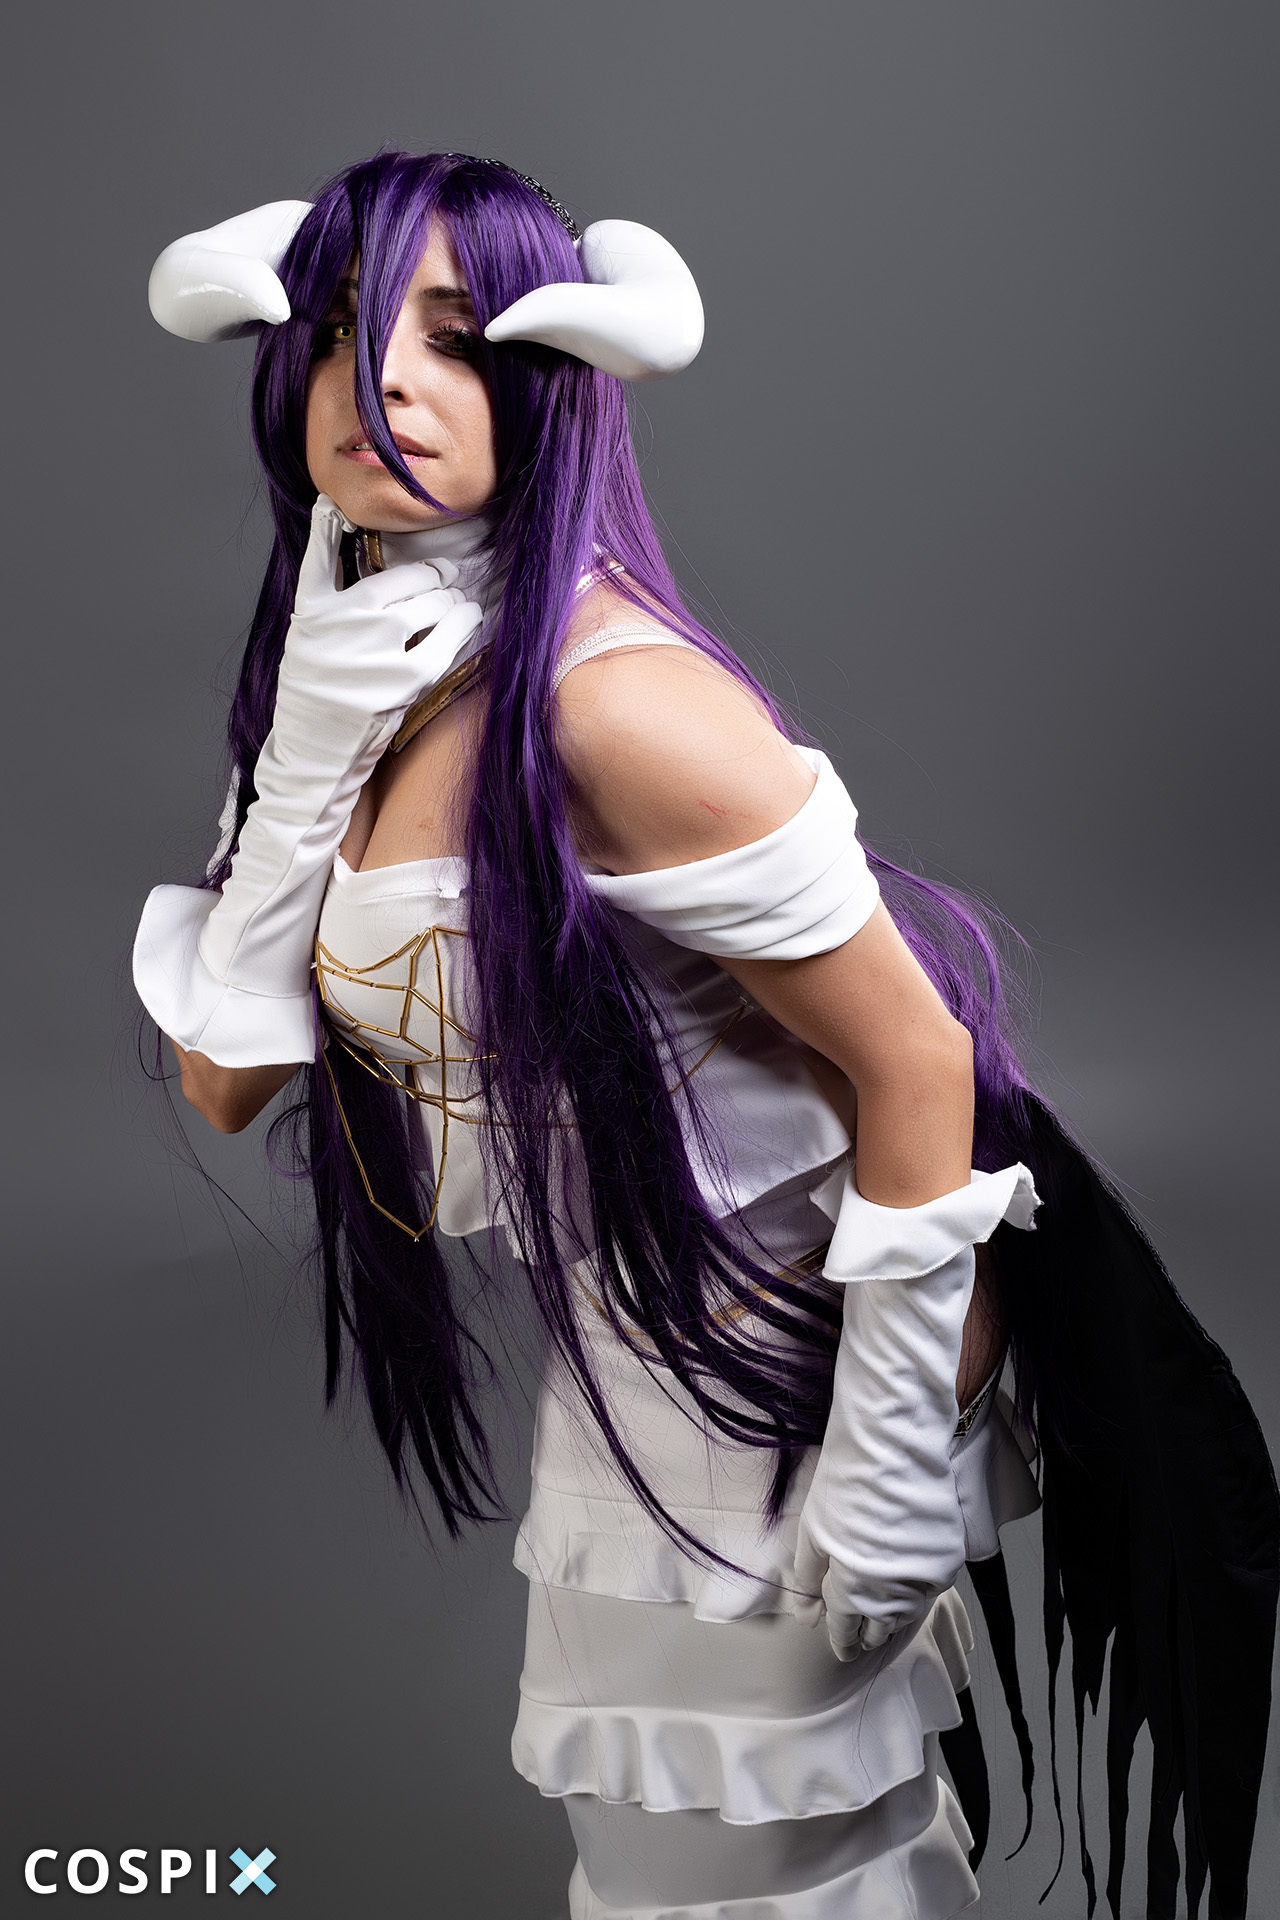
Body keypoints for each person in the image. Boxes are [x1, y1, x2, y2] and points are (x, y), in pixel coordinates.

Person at [134, 152, 1276, 1920]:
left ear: (550, 374)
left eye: (455, 336)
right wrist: (295, 778)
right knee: (683, 1867)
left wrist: (887, 1482)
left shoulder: (622, 710)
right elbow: (230, 1084)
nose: (385, 385)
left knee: (752, 1873)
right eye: (343, 329)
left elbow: (916, 1065)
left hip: (799, 1383)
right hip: (634, 1374)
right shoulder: (352, 690)